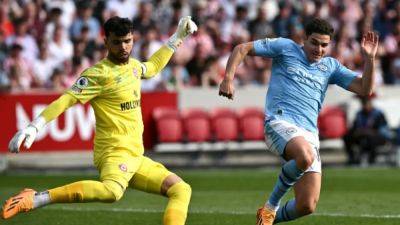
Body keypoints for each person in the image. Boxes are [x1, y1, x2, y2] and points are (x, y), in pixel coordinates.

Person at [2, 16, 197, 225]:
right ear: (106, 42)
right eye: (117, 42)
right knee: (112, 191)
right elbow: (67, 99)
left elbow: (152, 66)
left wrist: (178, 37)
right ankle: (37, 198)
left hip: (136, 156)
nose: (123, 47)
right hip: (114, 152)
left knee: (181, 189)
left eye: (128, 41)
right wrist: (34, 126)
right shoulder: (97, 74)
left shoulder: (132, 67)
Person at [218, 18, 378, 225]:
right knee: (304, 156)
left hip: (309, 134)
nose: (319, 49)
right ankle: (270, 208)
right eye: (314, 42)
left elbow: (365, 89)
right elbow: (242, 48)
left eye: (324, 45)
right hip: (279, 123)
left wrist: (370, 59)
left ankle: (266, 221)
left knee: (306, 205)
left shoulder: (330, 67)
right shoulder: (285, 48)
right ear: (304, 38)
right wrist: (228, 78)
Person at [343, 95, 392, 165]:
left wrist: (369, 132)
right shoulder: (359, 114)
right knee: (347, 137)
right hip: (362, 134)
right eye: (363, 103)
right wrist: (357, 131)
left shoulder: (378, 114)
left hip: (378, 136)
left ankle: (371, 159)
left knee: (370, 139)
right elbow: (355, 126)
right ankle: (352, 158)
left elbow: (382, 129)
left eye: (366, 103)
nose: (365, 105)